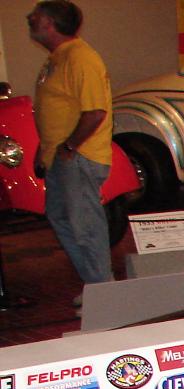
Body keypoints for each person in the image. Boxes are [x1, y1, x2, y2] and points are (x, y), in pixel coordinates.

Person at [28, 0, 113, 295]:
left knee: (84, 226)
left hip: (78, 157)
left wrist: (70, 146)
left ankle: (104, 292)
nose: (30, 19)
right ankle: (96, 285)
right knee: (62, 219)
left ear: (50, 23)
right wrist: (45, 149)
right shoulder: (57, 59)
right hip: (60, 158)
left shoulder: (81, 59)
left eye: (36, 16)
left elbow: (95, 112)